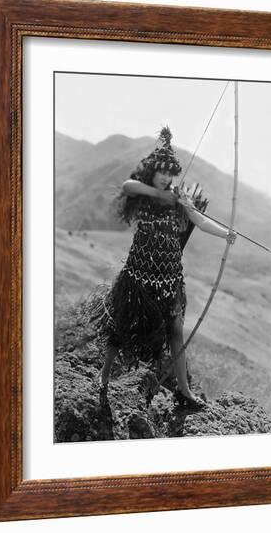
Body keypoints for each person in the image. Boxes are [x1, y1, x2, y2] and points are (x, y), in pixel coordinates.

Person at [88, 127, 236, 408]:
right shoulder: (142, 193)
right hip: (138, 278)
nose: (166, 178)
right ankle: (104, 377)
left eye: (170, 173)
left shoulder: (179, 197)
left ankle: (184, 392)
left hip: (169, 280)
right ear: (152, 172)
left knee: (176, 332)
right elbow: (126, 186)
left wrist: (226, 233)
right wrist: (161, 196)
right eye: (162, 172)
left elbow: (200, 221)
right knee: (119, 328)